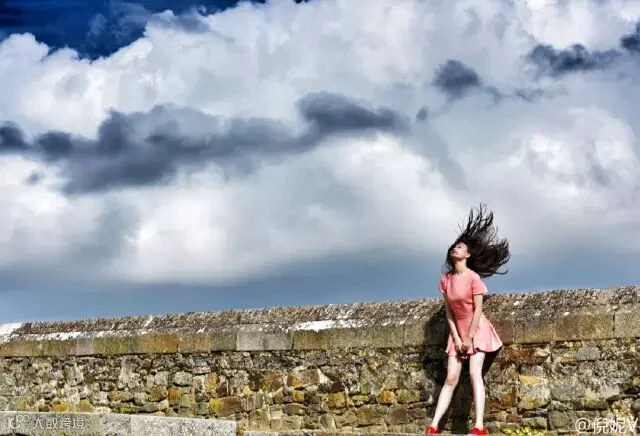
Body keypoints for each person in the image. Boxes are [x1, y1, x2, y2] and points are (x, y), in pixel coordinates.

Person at [426, 203, 510, 435]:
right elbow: (449, 313)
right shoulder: (446, 280)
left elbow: (478, 310)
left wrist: (469, 338)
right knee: (451, 378)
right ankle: (433, 426)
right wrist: (457, 338)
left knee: (474, 374)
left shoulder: (474, 278)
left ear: (468, 255)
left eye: (460, 247)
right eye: (454, 246)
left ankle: (479, 426)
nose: (455, 248)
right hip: (457, 333)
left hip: (477, 330)